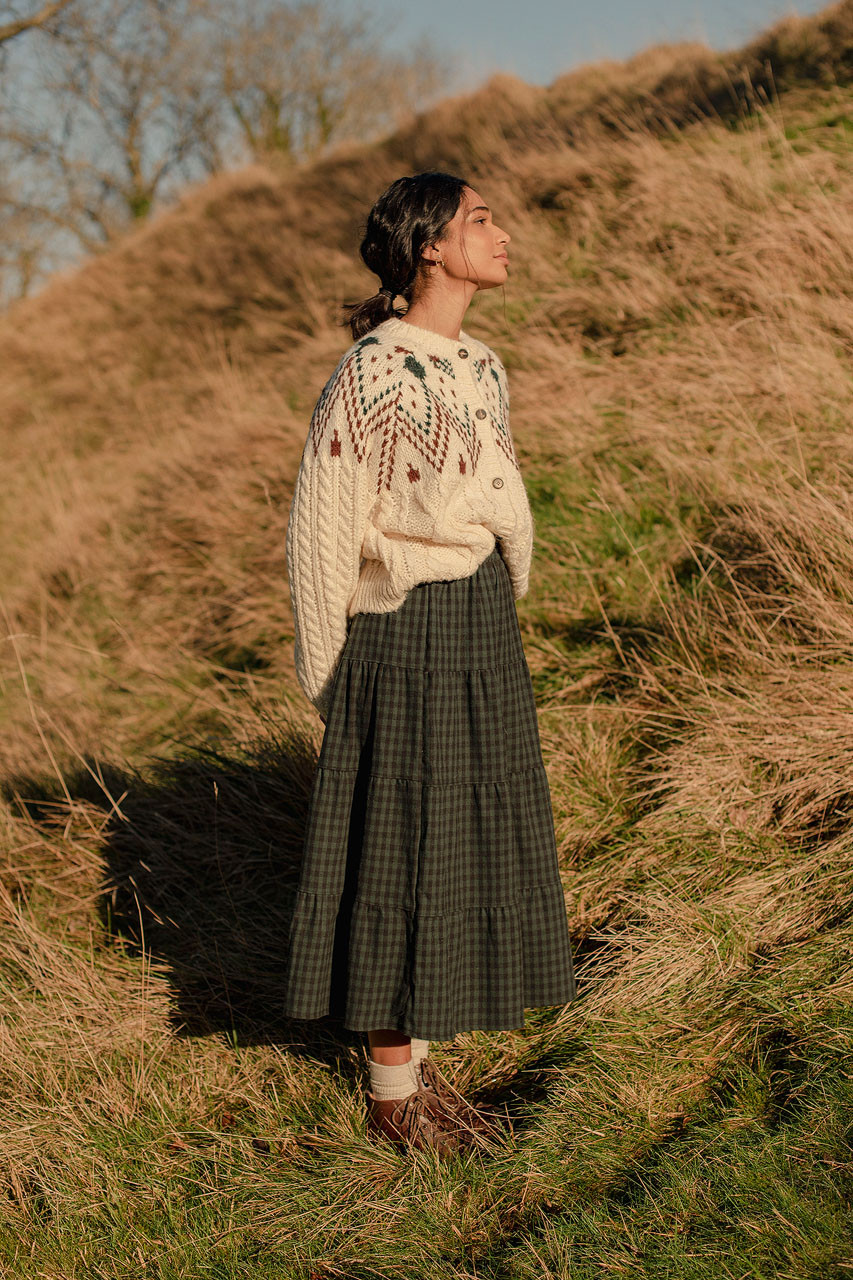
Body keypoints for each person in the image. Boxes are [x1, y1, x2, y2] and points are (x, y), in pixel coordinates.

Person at [284, 170, 577, 1157]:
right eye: (481, 220)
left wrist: (507, 581)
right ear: (428, 248)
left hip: (480, 616)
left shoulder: (484, 365)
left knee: (460, 837)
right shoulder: (367, 374)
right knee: (401, 845)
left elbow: (495, 490)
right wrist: (332, 677)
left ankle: (423, 1066)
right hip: (400, 626)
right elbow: (321, 529)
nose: (501, 235)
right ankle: (394, 1093)